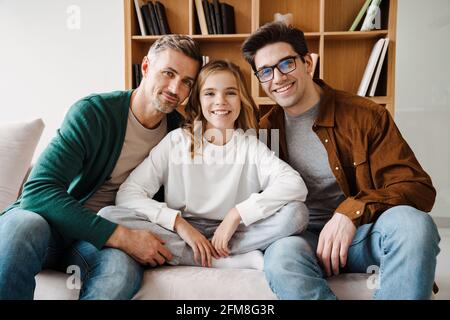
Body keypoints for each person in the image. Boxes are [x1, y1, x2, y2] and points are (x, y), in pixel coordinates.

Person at [241, 22, 441, 299]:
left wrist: (352, 212)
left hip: (362, 235)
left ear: (307, 63)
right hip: (303, 239)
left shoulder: (365, 116)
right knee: (281, 258)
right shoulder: (264, 132)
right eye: (265, 71)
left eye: (286, 64)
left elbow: (417, 187)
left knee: (414, 225)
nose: (277, 78)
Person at [0, 35, 202, 300]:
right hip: (49, 226)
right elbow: (38, 190)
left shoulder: (180, 132)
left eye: (186, 81)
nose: (175, 88)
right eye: (168, 73)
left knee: (121, 271)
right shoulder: (94, 114)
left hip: (91, 245)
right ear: (145, 67)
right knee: (22, 226)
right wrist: (122, 236)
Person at [98, 60, 309, 269]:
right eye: (210, 93)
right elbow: (128, 194)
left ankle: (209, 253)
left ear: (241, 99)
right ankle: (222, 259)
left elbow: (294, 184)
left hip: (235, 232)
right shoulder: (177, 141)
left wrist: (237, 214)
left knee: (297, 213)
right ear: (198, 100)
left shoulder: (250, 145)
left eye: (230, 93)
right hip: (184, 229)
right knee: (108, 215)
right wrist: (178, 224)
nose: (221, 101)